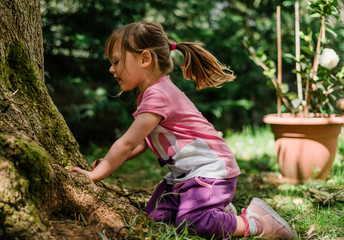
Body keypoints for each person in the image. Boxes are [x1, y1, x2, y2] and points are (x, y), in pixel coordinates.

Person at [71, 20, 297, 240]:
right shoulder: (152, 94)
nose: (111, 69)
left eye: (117, 61)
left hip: (211, 172)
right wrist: (109, 160)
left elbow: (127, 143)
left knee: (192, 223)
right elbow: (140, 144)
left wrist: (95, 175)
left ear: (145, 59)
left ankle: (257, 222)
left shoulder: (158, 95)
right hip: (185, 178)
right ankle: (217, 211)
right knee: (154, 218)